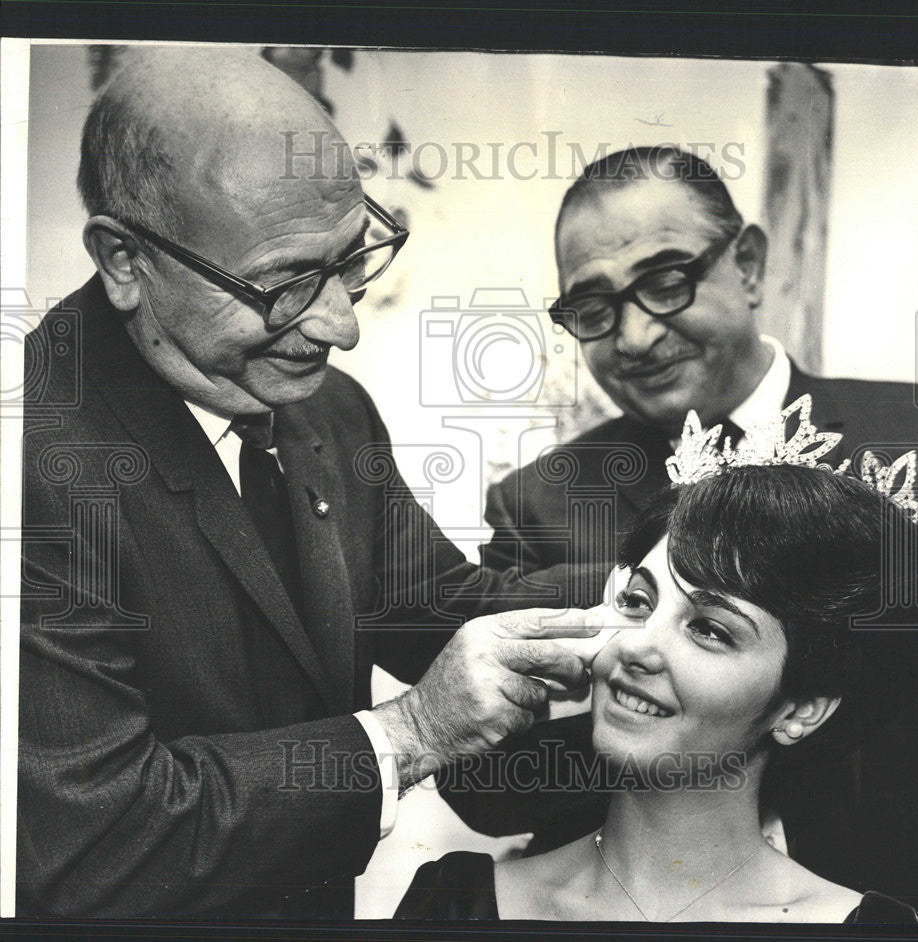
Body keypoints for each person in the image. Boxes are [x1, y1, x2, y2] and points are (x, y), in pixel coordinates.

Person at [17, 47, 600, 918]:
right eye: (287, 284)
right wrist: (409, 736)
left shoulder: (329, 412)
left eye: (352, 258)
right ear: (126, 260)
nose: (340, 326)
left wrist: (662, 577)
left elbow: (437, 608)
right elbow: (93, 843)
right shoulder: (30, 455)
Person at [469, 147, 918, 921]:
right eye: (594, 309)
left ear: (746, 264)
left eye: (666, 283)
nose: (634, 338)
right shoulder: (540, 501)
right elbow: (486, 790)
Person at [398, 408, 918, 922]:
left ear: (802, 708)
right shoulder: (456, 903)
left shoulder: (873, 929)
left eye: (709, 629)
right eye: (637, 601)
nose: (635, 646)